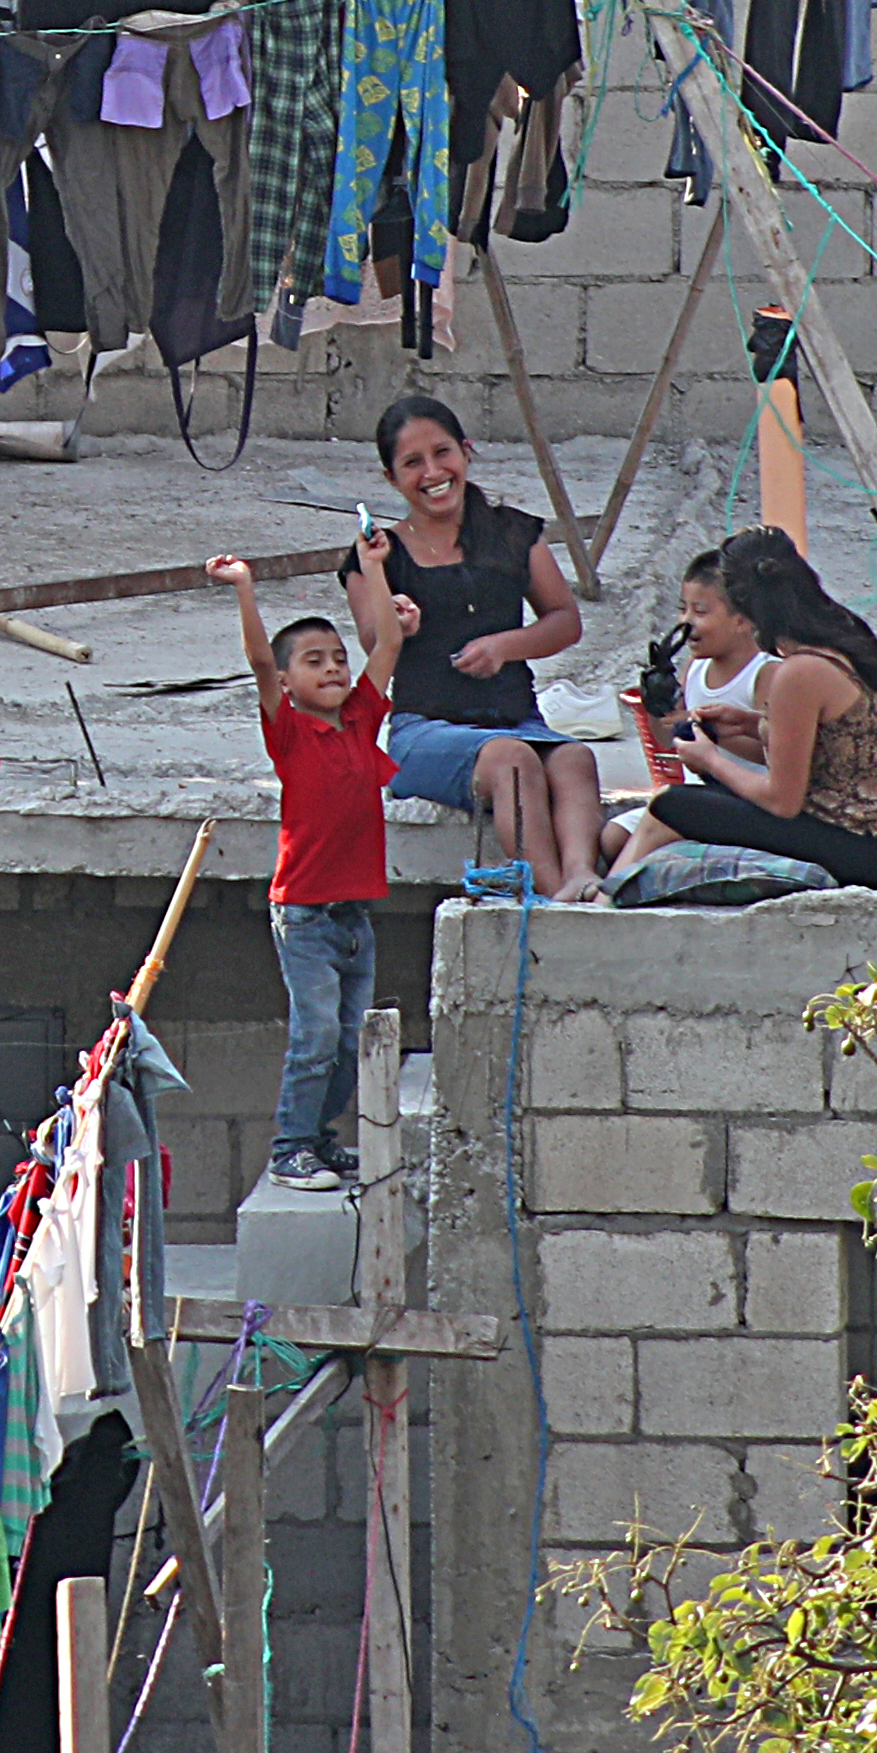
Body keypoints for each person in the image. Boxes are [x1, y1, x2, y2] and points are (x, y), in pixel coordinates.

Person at [341, 393, 606, 899]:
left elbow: (564, 621)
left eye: (443, 453)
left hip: (518, 719)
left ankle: (581, 877)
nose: (433, 472)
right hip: (424, 731)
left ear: (466, 452)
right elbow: (376, 648)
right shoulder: (375, 556)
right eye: (412, 463)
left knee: (574, 760)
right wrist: (394, 613)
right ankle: (555, 899)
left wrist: (507, 646)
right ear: (391, 479)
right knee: (512, 761)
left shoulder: (513, 533)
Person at [213, 551, 406, 1193]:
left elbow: (390, 640)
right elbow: (260, 662)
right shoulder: (289, 732)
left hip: (355, 916)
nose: (332, 668)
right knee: (315, 1035)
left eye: (338, 658)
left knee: (349, 1039)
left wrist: (376, 568)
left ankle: (321, 1139)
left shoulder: (361, 720)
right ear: (290, 683)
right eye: (313, 661)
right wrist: (245, 588)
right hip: (304, 916)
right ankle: (290, 1146)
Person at [609, 528, 877, 891]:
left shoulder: (799, 670)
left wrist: (711, 760)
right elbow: (832, 743)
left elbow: (782, 801)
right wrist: (755, 725)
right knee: (682, 809)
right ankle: (607, 893)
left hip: (858, 849)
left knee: (670, 806)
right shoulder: (842, 633)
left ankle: (603, 901)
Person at [600, 550, 772, 870]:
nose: (685, 622)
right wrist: (658, 703)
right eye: (683, 609)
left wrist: (711, 736)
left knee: (664, 830)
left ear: (743, 620)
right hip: (707, 790)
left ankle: (608, 894)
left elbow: (774, 750)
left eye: (701, 611)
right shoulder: (695, 666)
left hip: (751, 797)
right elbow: (666, 737)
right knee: (612, 837)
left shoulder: (764, 672)